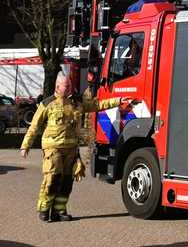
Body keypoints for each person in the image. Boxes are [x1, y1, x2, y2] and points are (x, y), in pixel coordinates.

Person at [21, 73, 127, 222]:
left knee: (67, 181)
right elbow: (34, 126)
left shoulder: (77, 103)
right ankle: (44, 208)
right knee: (52, 178)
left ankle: (59, 210)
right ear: (57, 86)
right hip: (53, 148)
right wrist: (25, 146)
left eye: (70, 85)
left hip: (71, 149)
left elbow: (97, 105)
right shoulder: (47, 104)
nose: (69, 88)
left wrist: (119, 101)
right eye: (66, 86)